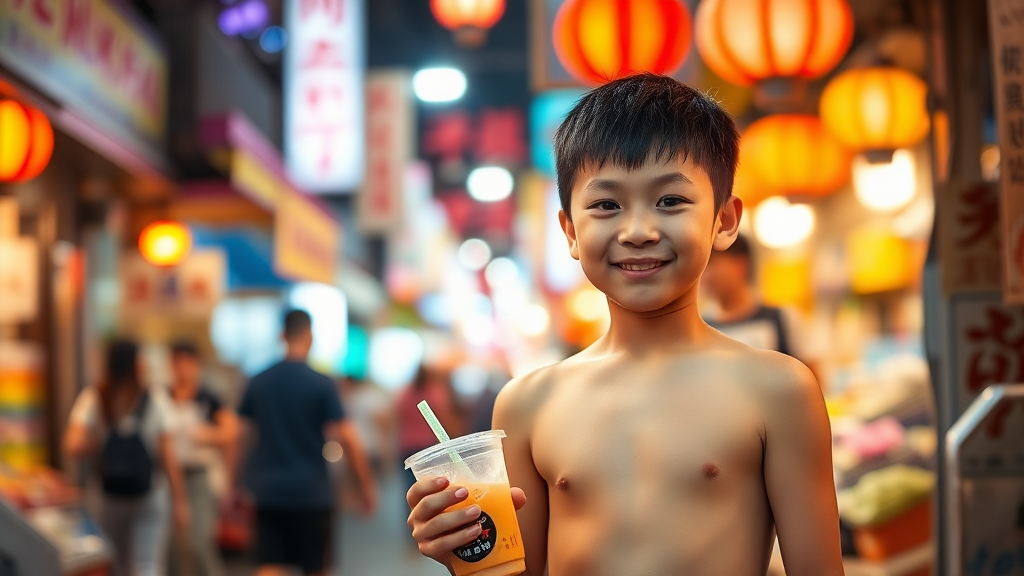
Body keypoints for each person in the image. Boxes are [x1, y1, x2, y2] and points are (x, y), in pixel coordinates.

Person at [406, 74, 843, 575]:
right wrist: (466, 547)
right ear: (570, 230)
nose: (638, 231)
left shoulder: (779, 389)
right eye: (606, 205)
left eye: (671, 201)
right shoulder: (527, 403)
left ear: (724, 220)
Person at [237, 309, 377, 576]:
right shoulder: (322, 384)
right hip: (312, 494)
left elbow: (241, 437)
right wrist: (366, 485)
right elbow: (348, 437)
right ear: (310, 337)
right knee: (316, 567)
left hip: (268, 492)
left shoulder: (258, 382)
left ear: (282, 335)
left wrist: (235, 485)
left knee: (269, 565)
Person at [64, 339, 190, 576]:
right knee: (147, 565)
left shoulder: (95, 397)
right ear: (135, 363)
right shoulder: (154, 398)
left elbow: (72, 445)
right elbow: (168, 456)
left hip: (107, 495)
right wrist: (180, 501)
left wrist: (104, 440)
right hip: (149, 494)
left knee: (111, 562)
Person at [166, 341, 239, 576]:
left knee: (199, 541)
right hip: (168, 475)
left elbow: (231, 431)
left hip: (199, 474)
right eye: (178, 363)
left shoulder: (208, 397)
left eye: (188, 363)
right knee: (174, 545)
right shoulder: (163, 397)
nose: (183, 368)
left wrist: (208, 435)